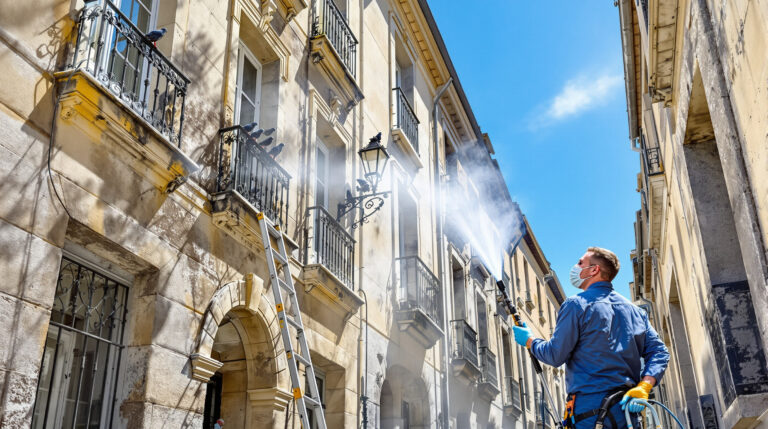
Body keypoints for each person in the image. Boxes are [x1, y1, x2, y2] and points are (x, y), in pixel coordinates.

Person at [512, 247, 669, 428]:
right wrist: (644, 386)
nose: (575, 267)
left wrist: (530, 341)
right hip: (627, 412)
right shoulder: (635, 312)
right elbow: (659, 352)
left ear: (594, 270)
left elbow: (554, 355)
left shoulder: (576, 305)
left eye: (580, 263)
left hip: (589, 413)